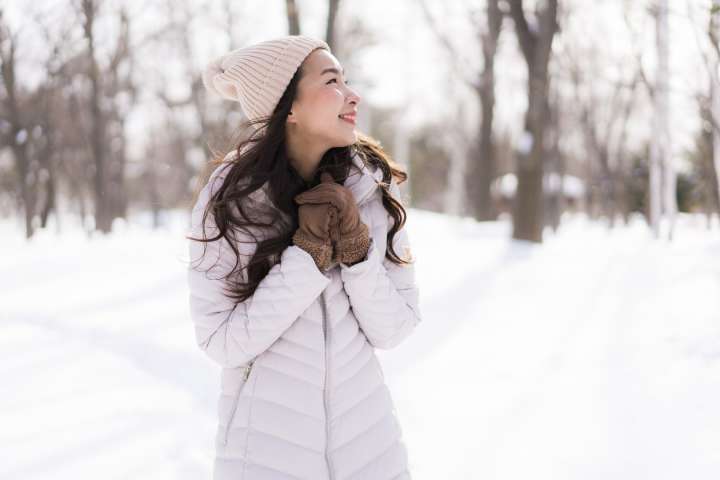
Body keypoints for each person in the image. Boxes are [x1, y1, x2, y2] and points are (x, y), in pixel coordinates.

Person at [187, 34, 422, 480]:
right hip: (265, 460)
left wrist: (357, 251)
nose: (352, 95)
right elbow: (220, 341)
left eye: (347, 80)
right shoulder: (232, 204)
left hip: (370, 456)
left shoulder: (372, 189)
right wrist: (307, 259)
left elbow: (395, 328)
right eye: (332, 81)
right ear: (287, 107)